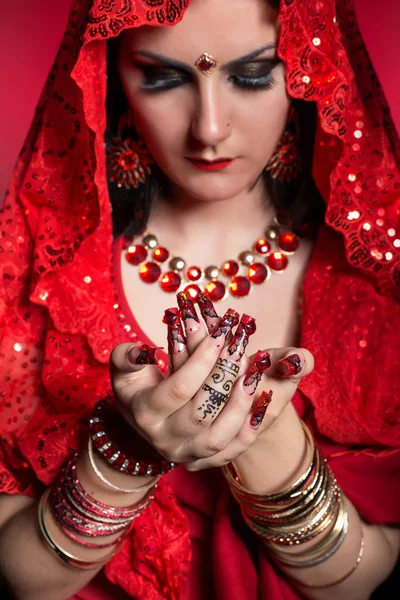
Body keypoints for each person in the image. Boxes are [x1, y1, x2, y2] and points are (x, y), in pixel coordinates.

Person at [0, 0, 399, 599]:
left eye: (253, 75)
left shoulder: (374, 287)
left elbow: (362, 581)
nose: (209, 128)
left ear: (312, 70)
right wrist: (122, 454)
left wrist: (273, 455)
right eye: (162, 77)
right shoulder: (35, 283)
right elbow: (26, 581)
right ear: (107, 74)